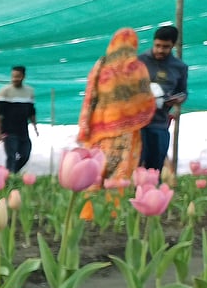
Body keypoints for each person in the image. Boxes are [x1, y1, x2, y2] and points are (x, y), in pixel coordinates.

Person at [77, 28, 156, 182]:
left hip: (99, 129)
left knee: (96, 168)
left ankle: (90, 197)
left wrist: (85, 125)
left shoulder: (100, 66)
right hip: (127, 129)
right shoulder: (137, 68)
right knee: (119, 172)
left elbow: (90, 97)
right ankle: (114, 197)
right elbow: (146, 98)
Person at [138, 25, 188, 171]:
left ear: (173, 45)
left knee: (155, 168)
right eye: (157, 45)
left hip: (159, 123)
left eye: (165, 47)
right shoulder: (139, 62)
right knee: (136, 166)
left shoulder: (179, 67)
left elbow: (183, 92)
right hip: (137, 124)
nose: (160, 50)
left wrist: (178, 99)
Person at [0, 66, 39, 173]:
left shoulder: (29, 91)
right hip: (9, 131)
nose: (15, 79)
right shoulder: (5, 91)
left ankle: (11, 173)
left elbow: (31, 111)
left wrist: (35, 126)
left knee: (25, 154)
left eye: (18, 76)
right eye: (13, 76)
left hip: (23, 130)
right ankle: (10, 176)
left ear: (23, 76)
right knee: (11, 156)